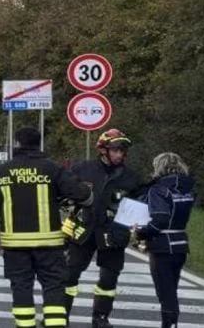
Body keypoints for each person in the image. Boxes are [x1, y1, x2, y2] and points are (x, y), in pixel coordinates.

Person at [0, 127, 93, 328]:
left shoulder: (1, 171)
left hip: (14, 246)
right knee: (54, 287)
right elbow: (81, 195)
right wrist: (87, 191)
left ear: (16, 144)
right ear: (39, 144)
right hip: (50, 245)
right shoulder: (52, 168)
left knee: (21, 287)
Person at [61, 128, 146, 328]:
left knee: (109, 278)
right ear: (103, 150)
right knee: (69, 275)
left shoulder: (131, 178)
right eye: (115, 150)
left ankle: (100, 318)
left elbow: (141, 206)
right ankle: (60, 316)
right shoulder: (82, 169)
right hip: (83, 231)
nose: (119, 154)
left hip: (114, 233)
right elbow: (63, 191)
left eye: (122, 151)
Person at [133, 152, 196, 328]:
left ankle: (168, 325)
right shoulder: (187, 187)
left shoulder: (158, 189)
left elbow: (160, 219)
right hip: (181, 243)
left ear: (159, 167)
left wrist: (142, 232)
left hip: (162, 245)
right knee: (171, 290)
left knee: (165, 293)